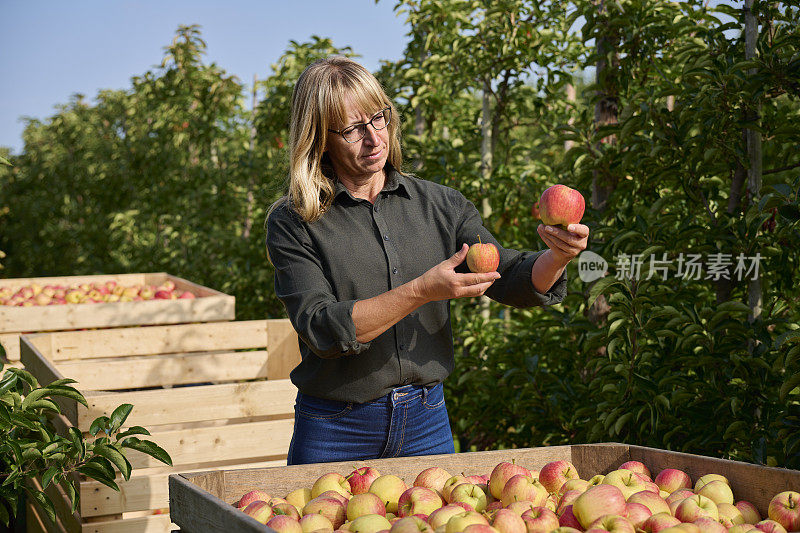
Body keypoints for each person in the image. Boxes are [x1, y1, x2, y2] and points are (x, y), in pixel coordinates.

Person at [266, 56, 589, 465]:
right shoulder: (296, 220)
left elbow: (504, 275)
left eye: (378, 118)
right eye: (352, 129)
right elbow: (322, 328)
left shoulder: (440, 204)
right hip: (336, 428)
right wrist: (421, 291)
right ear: (319, 137)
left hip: (426, 421)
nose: (373, 138)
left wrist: (558, 256)